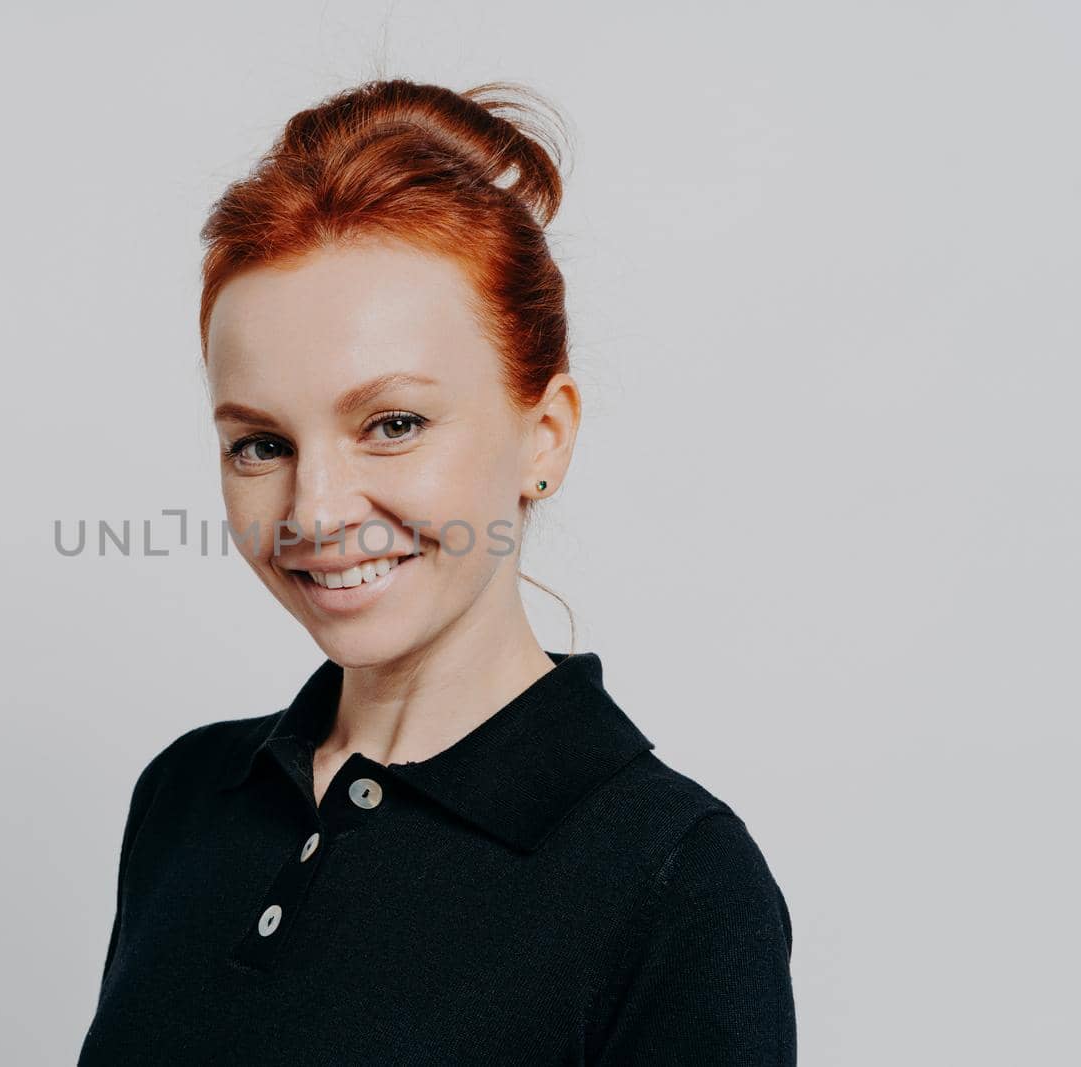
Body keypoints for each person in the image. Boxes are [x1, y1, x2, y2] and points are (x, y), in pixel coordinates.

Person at [78, 77, 795, 1065]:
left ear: (544, 434)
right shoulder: (188, 795)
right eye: (259, 443)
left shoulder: (669, 874)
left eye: (393, 423)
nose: (315, 510)